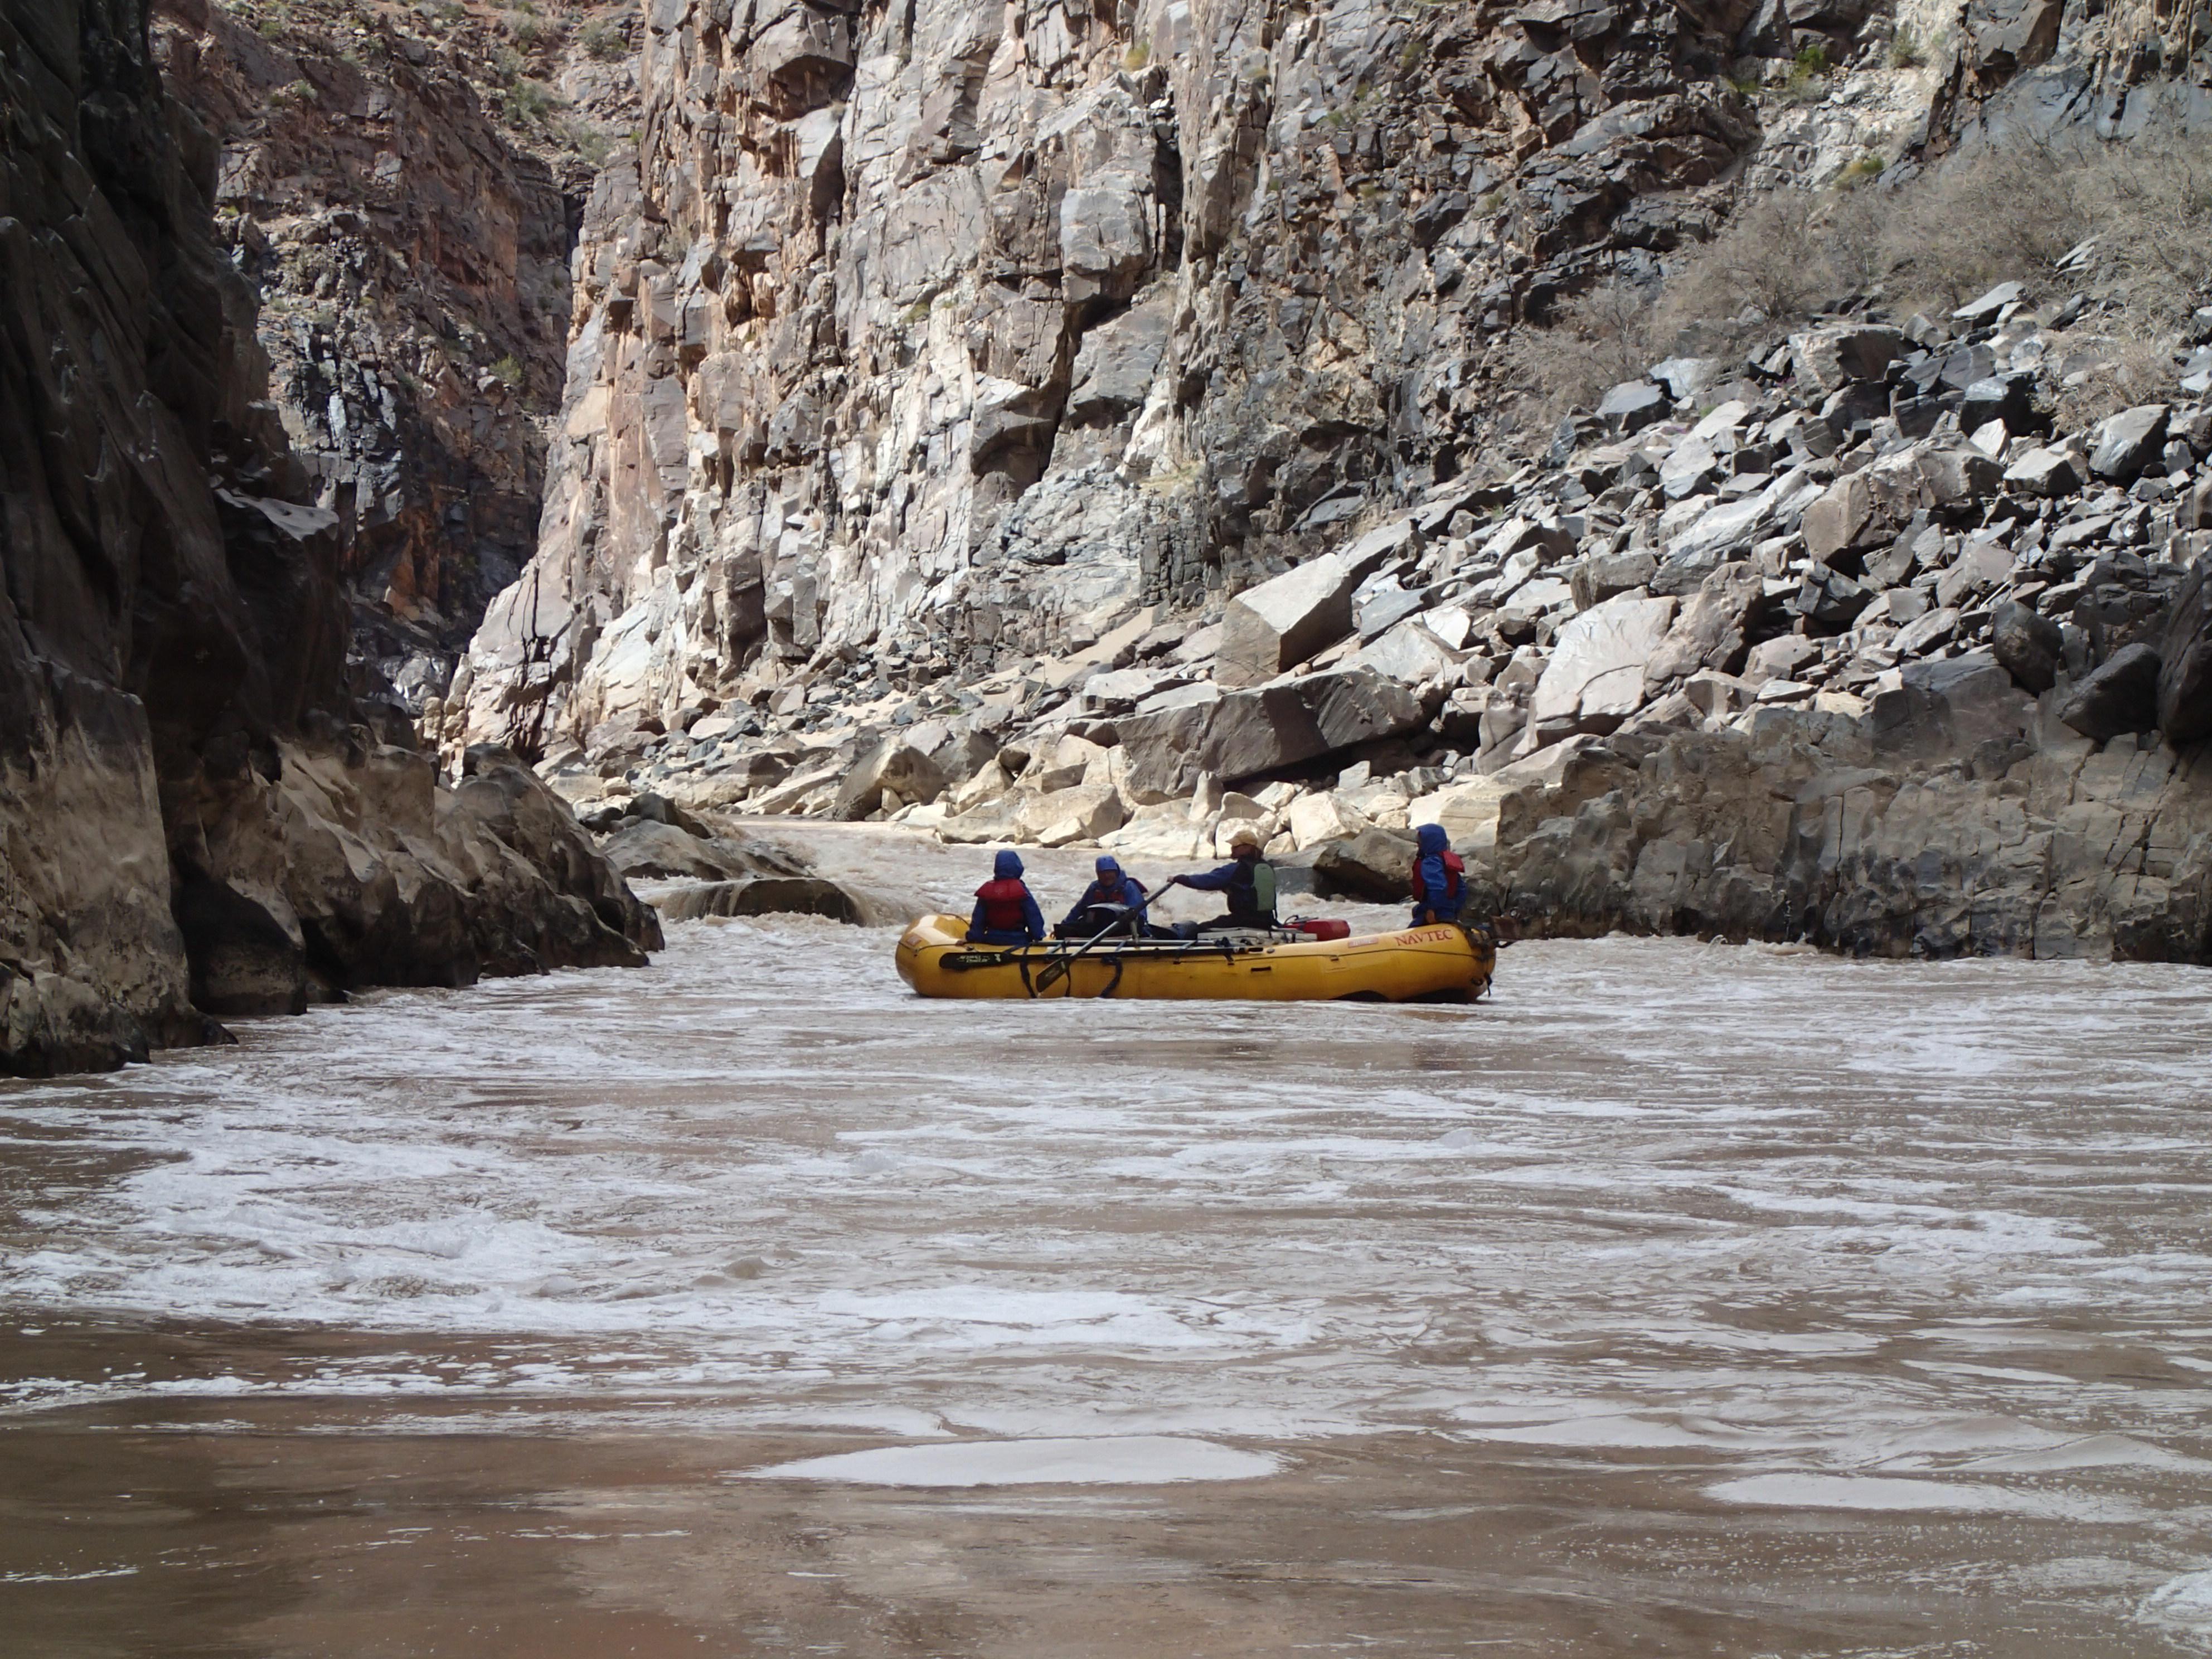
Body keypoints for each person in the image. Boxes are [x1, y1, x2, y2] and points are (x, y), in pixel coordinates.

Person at [1170, 828, 1277, 932]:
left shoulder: (1238, 869)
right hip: (1267, 921)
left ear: (1247, 848)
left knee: (1198, 930)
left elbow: (1207, 881)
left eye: (1235, 846)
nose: (1232, 849)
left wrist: (1180, 879)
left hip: (1243, 921)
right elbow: (1251, 891)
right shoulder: (1267, 867)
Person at [1057, 854, 1153, 938]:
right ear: (1098, 874)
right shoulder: (1094, 888)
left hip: (1125, 931)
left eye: (1110, 872)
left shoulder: (1129, 887)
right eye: (1103, 873)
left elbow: (1140, 916)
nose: (1107, 876)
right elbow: (1079, 909)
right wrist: (1064, 926)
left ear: (1116, 872)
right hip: (1100, 931)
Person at [969, 848, 1046, 947]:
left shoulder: (988, 891)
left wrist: (972, 937)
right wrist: (1038, 936)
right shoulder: (1021, 890)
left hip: (992, 940)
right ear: (1017, 867)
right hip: (1018, 940)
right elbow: (1034, 916)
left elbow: (978, 919)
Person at [1409, 822, 1466, 926]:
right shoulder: (1445, 860)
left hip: (1434, 911)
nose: (1418, 843)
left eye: (1420, 840)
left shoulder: (1431, 862)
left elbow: (1438, 887)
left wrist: (1433, 910)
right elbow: (1461, 889)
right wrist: (1454, 909)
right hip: (1449, 910)